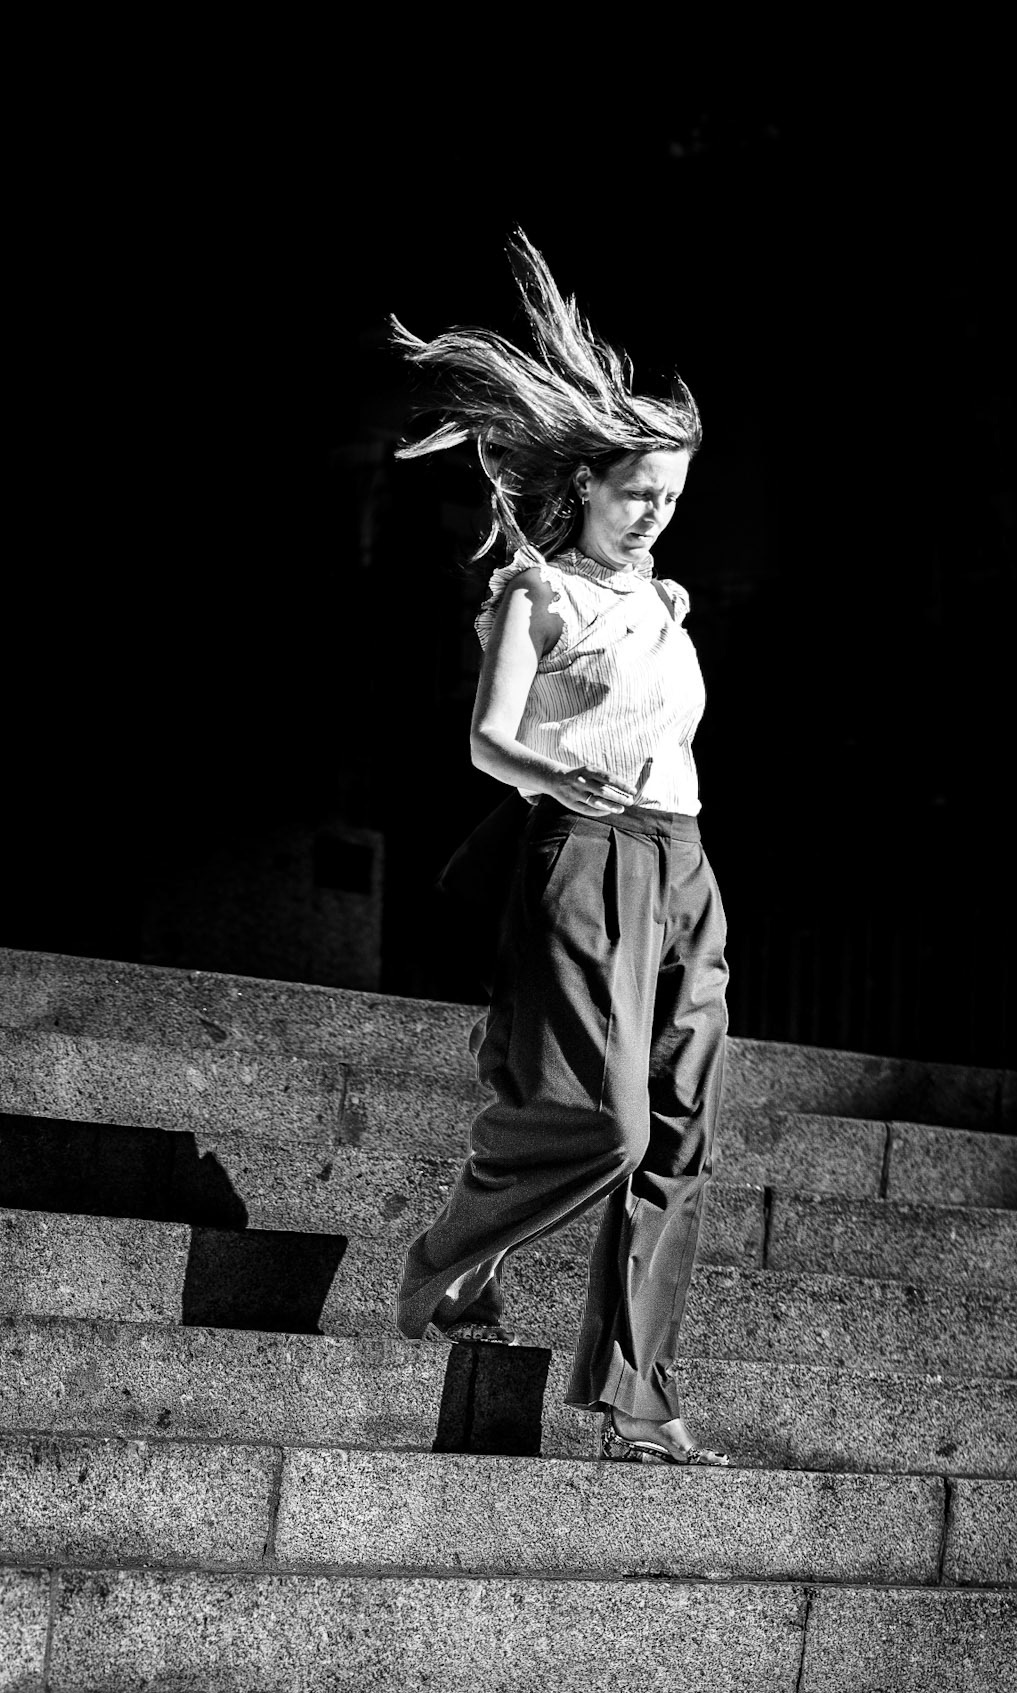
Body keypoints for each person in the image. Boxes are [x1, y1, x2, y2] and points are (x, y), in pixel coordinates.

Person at [389, 232, 729, 1466]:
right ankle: (448, 1253)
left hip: (685, 864)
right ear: (585, 483)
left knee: (681, 1135)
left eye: (674, 498)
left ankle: (638, 1399)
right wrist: (557, 769)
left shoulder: (664, 601)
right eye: (639, 492)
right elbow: (487, 739)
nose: (656, 516)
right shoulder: (540, 595)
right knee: (610, 1126)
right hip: (581, 854)